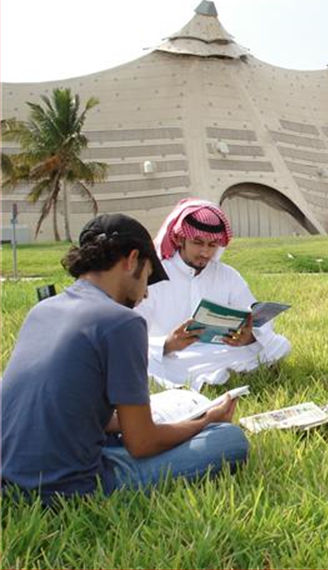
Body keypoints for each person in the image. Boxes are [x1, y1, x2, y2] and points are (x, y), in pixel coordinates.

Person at [0, 214, 249, 503]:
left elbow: (72, 408)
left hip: (11, 477)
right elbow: (142, 443)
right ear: (132, 259)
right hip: (69, 489)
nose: (144, 294)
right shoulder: (122, 322)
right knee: (229, 440)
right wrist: (206, 420)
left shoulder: (43, 310)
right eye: (147, 278)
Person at [135, 199, 291, 390]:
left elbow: (257, 319)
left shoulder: (227, 275)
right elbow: (133, 334)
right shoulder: (155, 275)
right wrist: (168, 343)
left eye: (212, 245)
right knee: (137, 359)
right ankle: (216, 376)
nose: (205, 252)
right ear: (180, 239)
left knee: (278, 345)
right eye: (197, 243)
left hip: (220, 351)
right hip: (170, 356)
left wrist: (248, 337)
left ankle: (214, 376)